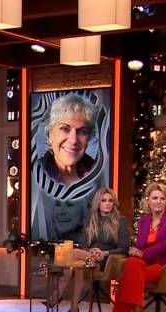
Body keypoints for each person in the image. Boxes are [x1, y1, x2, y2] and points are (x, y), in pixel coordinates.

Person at [106, 182, 166, 312]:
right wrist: (136, 251)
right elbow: (141, 246)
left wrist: (143, 254)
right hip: (147, 263)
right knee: (131, 262)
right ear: (148, 200)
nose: (158, 202)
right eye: (155, 198)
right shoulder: (143, 222)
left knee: (126, 278)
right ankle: (137, 308)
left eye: (162, 198)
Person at [30, 92, 106, 242]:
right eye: (65, 129)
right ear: (50, 135)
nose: (73, 140)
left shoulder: (97, 174)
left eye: (82, 131)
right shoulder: (38, 173)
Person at [50, 188, 129, 312]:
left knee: (74, 253)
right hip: (88, 257)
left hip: (105, 260)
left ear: (114, 203)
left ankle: (57, 294)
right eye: (103, 200)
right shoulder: (90, 219)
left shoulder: (120, 220)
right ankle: (74, 308)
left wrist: (104, 253)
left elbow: (124, 247)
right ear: (98, 203)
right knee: (77, 266)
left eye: (110, 201)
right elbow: (83, 243)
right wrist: (91, 251)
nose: (107, 203)